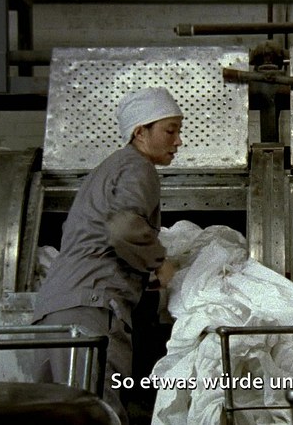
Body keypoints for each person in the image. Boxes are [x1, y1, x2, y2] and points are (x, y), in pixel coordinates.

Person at [33, 87, 182, 424]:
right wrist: (159, 262)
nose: (178, 141)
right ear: (140, 132)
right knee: (98, 413)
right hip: (92, 309)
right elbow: (124, 227)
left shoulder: (107, 169)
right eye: (170, 131)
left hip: (53, 308)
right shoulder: (139, 167)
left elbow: (90, 234)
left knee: (52, 415)